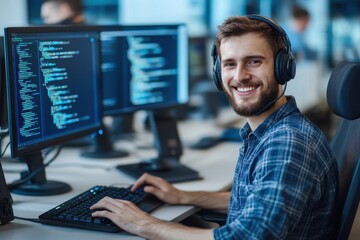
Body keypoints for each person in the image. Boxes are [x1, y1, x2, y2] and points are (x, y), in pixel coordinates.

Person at [90, 15, 338, 239]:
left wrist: (143, 224)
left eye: (253, 61)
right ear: (219, 73)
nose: (239, 76)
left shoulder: (287, 143)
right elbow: (256, 201)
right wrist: (183, 197)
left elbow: (247, 236)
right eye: (230, 64)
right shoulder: (269, 131)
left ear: (283, 68)